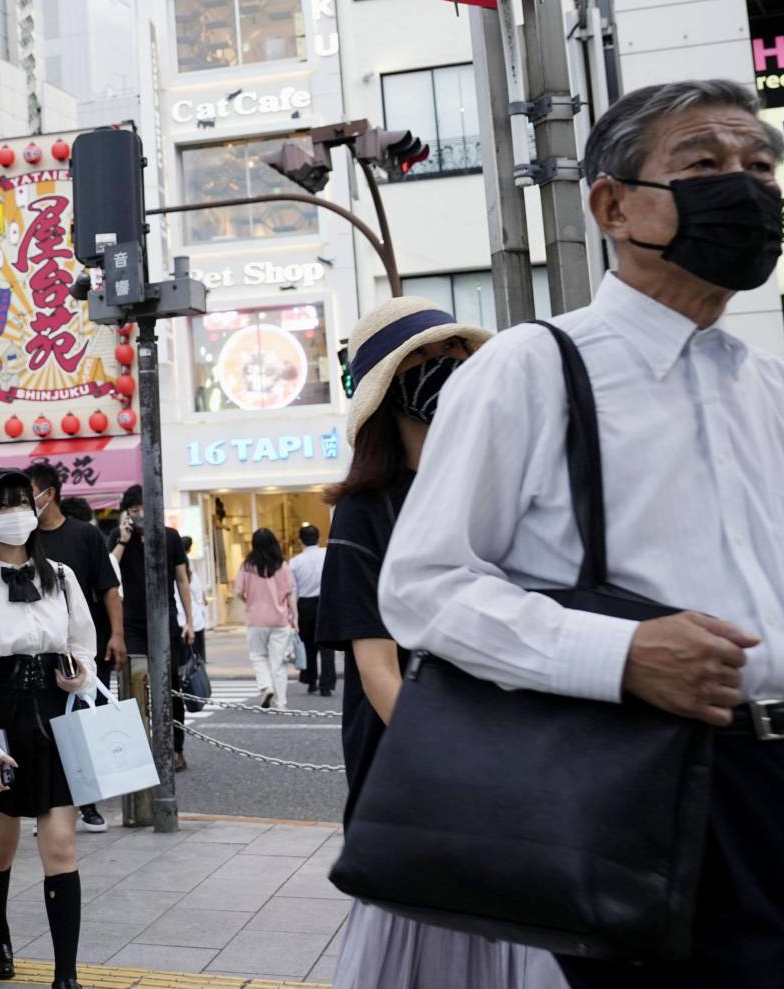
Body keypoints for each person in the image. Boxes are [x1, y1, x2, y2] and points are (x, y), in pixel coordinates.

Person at [381, 80, 784, 988]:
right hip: (649, 789)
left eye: (759, 167)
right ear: (613, 205)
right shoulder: (534, 368)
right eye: (705, 164)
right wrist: (618, 652)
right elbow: (423, 587)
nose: (744, 188)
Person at [316, 295, 561, 988]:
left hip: (511, 751)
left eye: (449, 353)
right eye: (417, 360)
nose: (440, 369)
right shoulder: (367, 509)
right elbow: (377, 668)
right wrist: (463, 757)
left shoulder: (505, 489)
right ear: (387, 388)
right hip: (416, 763)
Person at [0, 467, 97, 989]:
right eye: (3, 505)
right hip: (1, 720)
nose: (15, 513)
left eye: (21, 502)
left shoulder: (64, 578)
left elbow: (83, 646)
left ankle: (66, 975)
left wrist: (79, 675)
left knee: (59, 847)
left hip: (55, 719)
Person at [25, 463, 124, 832]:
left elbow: (109, 589)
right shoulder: (25, 540)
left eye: (28, 493)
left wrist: (116, 635)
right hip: (39, 647)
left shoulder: (86, 535)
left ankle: (89, 802)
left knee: (86, 723)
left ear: (47, 494)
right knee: (45, 727)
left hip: (83, 647)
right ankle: (48, 803)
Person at [111, 485, 195, 771]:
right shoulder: (120, 537)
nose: (141, 515)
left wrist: (190, 622)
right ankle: (138, 749)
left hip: (166, 622)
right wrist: (122, 540)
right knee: (133, 684)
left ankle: (176, 748)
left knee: (170, 686)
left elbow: (182, 580)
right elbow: (109, 574)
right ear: (127, 513)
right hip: (131, 623)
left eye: (144, 509)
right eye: (134, 511)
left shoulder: (169, 537)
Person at [233, 528, 297, 711]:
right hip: (279, 619)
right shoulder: (281, 565)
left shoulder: (247, 566)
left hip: (256, 620)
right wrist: (295, 617)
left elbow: (238, 592)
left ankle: (266, 686)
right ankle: (281, 703)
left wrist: (248, 601)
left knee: (258, 656)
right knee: (278, 663)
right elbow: (290, 593)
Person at [290, 523, 333, 696]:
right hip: (326, 603)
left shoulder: (294, 562)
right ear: (319, 538)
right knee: (327, 646)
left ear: (301, 540)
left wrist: (294, 615)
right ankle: (327, 685)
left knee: (308, 645)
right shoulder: (327, 555)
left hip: (305, 605)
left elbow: (293, 591)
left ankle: (311, 681)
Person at [183, 536, 212, 665]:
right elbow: (195, 588)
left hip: (192, 613)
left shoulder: (186, 564)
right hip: (193, 613)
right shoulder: (186, 564)